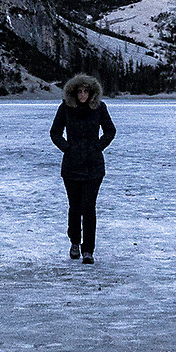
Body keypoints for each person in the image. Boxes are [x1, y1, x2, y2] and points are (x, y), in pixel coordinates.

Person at [50, 72, 116, 265]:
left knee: (89, 208)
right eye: (79, 91)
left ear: (91, 93)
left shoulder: (99, 108)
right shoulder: (66, 108)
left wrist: (97, 146)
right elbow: (55, 132)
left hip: (93, 166)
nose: (82, 95)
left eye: (85, 91)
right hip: (71, 166)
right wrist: (67, 148)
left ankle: (88, 250)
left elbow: (110, 130)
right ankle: (75, 243)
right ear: (73, 92)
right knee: (75, 206)